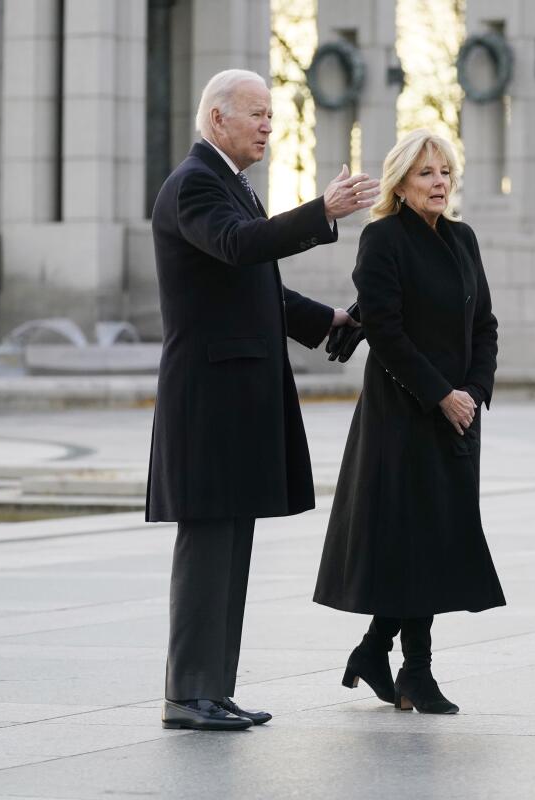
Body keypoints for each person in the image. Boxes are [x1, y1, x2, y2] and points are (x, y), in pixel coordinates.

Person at [146, 69, 377, 731]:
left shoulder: (231, 186)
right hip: (207, 397)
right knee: (208, 542)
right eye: (257, 115)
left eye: (272, 117)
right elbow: (240, 246)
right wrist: (321, 213)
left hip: (233, 396)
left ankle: (213, 690)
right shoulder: (196, 184)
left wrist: (327, 319)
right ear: (217, 118)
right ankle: (188, 694)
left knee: (232, 544)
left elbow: (256, 288)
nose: (268, 127)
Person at [314, 130, 505, 715]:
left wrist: (471, 393)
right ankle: (414, 672)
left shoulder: (462, 238)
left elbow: (485, 327)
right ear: (400, 183)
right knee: (412, 541)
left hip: (457, 415)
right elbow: (388, 335)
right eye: (426, 173)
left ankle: (375, 651)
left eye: (445, 171)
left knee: (434, 541)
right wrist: (440, 394)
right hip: (402, 415)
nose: (440, 182)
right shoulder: (382, 239)